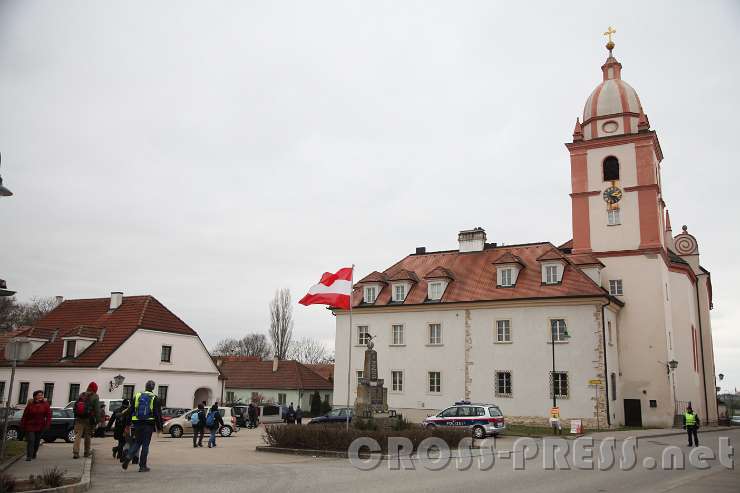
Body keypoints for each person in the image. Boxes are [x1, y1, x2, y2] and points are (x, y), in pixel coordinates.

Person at [122, 380, 163, 472]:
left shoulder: (137, 395)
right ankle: (142, 466)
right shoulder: (154, 398)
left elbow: (131, 410)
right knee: (145, 445)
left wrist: (127, 423)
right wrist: (159, 427)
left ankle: (128, 457)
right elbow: (157, 413)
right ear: (153, 388)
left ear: (145, 386)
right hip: (148, 424)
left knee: (137, 442)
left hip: (137, 423)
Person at [20, 390, 51, 461]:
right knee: (31, 440)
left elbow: (48, 416)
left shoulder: (45, 404)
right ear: (35, 396)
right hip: (30, 425)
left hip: (40, 426)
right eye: (39, 395)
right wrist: (22, 425)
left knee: (37, 441)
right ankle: (29, 455)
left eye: (42, 395)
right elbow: (25, 416)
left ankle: (34, 453)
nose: (41, 396)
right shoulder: (30, 404)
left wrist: (47, 424)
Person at [72, 382, 101, 459]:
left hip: (79, 418)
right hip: (89, 419)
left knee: (78, 435)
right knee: (87, 436)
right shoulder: (95, 396)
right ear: (95, 389)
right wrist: (97, 420)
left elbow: (75, 406)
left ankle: (76, 452)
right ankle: (86, 452)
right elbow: (97, 410)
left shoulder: (81, 394)